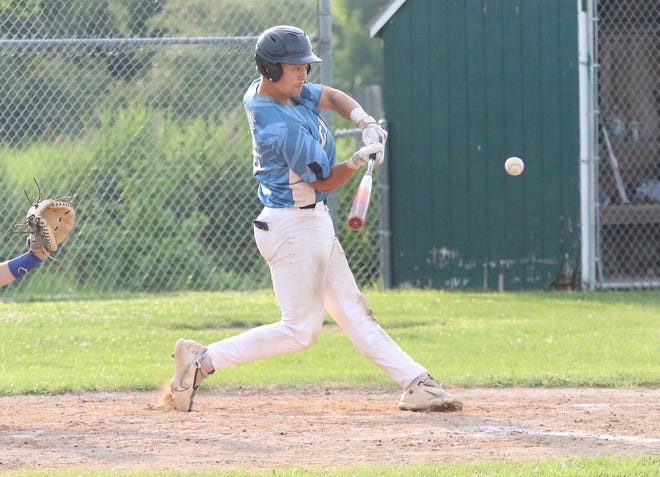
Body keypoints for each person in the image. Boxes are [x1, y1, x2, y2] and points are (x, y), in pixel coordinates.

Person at [168, 25, 463, 413]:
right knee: (300, 331)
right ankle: (201, 361)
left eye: (306, 66)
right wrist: (358, 160)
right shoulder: (280, 126)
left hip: (310, 222)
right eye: (296, 69)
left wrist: (365, 121)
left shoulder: (281, 90)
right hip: (291, 228)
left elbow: (331, 95)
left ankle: (416, 382)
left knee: (353, 309)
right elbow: (324, 182)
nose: (304, 75)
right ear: (271, 70)